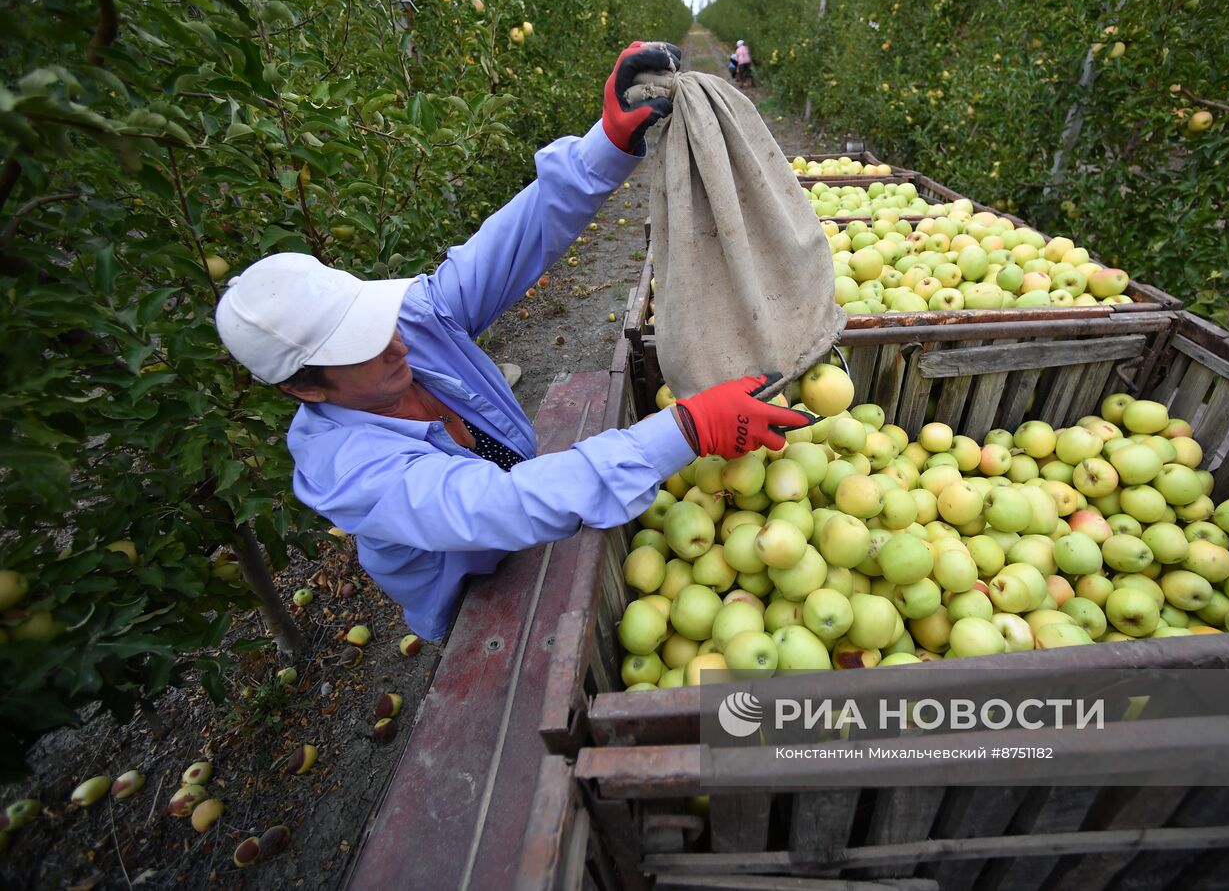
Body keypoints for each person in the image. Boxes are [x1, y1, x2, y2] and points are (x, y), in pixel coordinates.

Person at [215, 41, 814, 641]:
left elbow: (518, 237)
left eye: (378, 322)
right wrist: (685, 429)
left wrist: (606, 142)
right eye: (362, 349)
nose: (395, 344)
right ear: (305, 388)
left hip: (538, 511)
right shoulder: (344, 472)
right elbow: (498, 506)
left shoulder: (414, 319)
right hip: (472, 600)